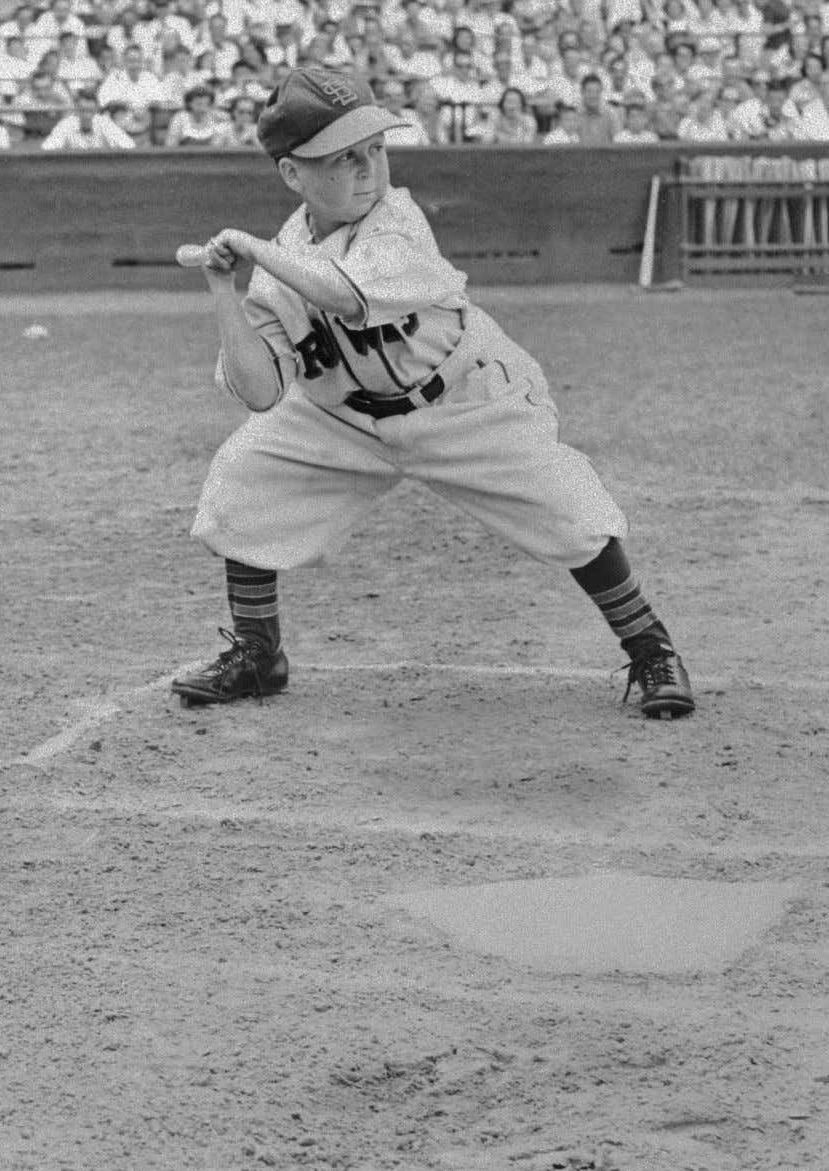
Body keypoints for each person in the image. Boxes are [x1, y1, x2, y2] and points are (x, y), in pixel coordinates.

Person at [168, 67, 694, 721]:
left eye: (374, 149)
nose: (368, 168)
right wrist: (224, 290)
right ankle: (257, 654)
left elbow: (346, 296)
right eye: (343, 157)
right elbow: (260, 391)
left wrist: (254, 250)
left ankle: (651, 648)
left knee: (570, 510)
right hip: (342, 417)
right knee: (242, 481)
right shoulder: (278, 268)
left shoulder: (398, 221)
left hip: (463, 399)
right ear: (292, 174)